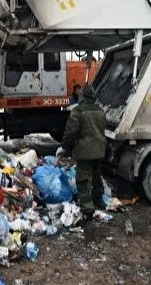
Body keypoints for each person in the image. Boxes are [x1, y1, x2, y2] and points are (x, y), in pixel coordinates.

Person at [57, 85, 107, 222]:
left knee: (83, 180)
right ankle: (99, 201)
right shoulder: (101, 111)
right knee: (97, 176)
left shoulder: (78, 111)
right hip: (100, 150)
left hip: (85, 152)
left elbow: (70, 132)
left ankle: (88, 210)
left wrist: (65, 148)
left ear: (82, 96)